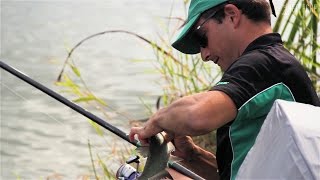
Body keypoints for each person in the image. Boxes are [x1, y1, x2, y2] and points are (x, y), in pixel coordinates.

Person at [129, 0, 320, 179]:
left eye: (201, 38)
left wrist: (155, 122)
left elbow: (197, 115)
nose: (204, 55)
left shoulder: (263, 64)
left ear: (231, 15)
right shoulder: (277, 63)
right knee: (172, 170)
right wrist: (193, 156)